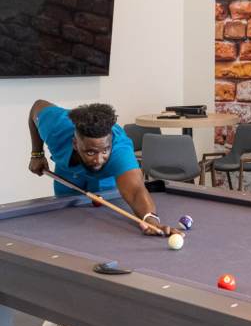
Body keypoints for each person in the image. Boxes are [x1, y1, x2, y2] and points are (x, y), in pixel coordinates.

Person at [28, 100, 183, 237]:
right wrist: (37, 154)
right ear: (75, 143)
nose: (98, 159)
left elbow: (136, 191)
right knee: (66, 221)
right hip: (68, 175)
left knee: (103, 214)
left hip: (105, 179)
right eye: (90, 152)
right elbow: (37, 107)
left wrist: (151, 220)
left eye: (104, 150)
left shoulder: (120, 152)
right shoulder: (57, 127)